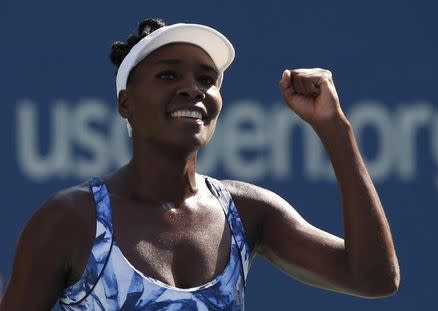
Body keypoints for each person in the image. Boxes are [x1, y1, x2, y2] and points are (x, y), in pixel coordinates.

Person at [0, 18, 400, 310]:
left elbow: (375, 278)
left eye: (207, 79)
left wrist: (335, 129)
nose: (193, 89)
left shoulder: (247, 211)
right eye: (168, 75)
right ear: (126, 103)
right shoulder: (70, 219)